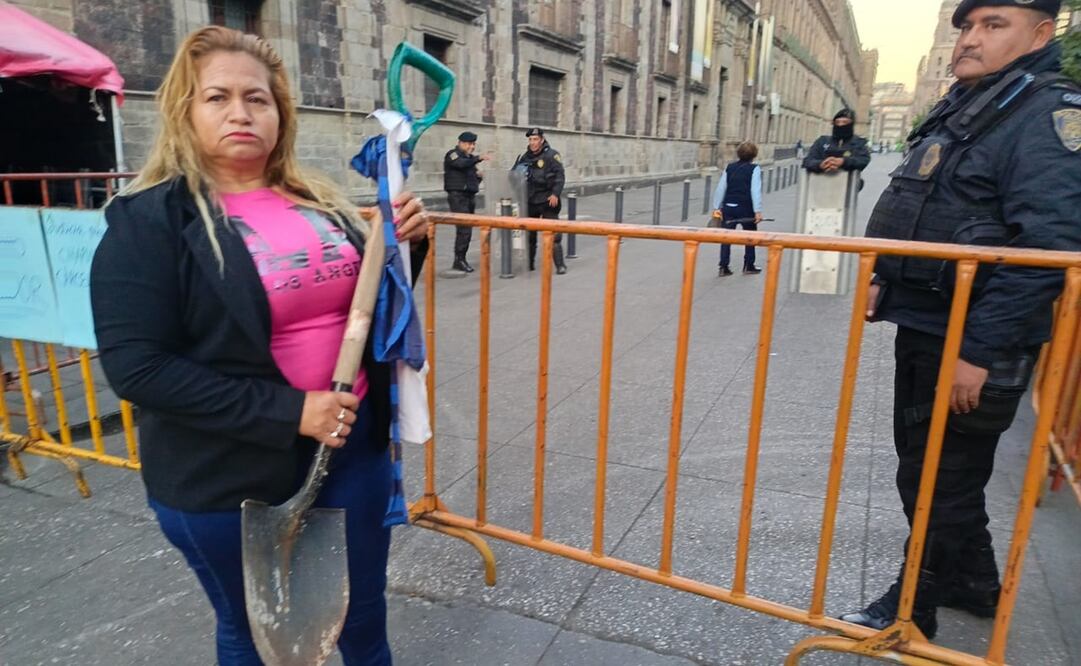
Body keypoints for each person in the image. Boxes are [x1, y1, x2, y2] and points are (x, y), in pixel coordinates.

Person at [89, 26, 429, 665]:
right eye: (217, 97)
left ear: (281, 115)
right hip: (228, 475)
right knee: (257, 634)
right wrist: (292, 411)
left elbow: (374, 306)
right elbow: (139, 367)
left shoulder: (319, 203)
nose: (241, 112)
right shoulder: (149, 223)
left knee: (363, 617)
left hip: (350, 455)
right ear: (185, 112)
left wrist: (402, 247)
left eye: (259, 98)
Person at [841, 0, 1081, 640]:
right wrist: (882, 276)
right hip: (929, 322)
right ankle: (975, 584)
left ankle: (909, 611)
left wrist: (979, 351)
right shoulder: (979, 102)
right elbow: (923, 200)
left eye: (993, 25)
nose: (971, 39)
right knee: (936, 468)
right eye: (967, 26)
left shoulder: (1045, 114)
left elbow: (1047, 250)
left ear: (1040, 32)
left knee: (934, 477)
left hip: (973, 340)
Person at [512, 127, 567, 274]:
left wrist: (555, 194)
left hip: (548, 200)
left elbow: (560, 176)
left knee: (554, 234)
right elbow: (515, 177)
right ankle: (529, 264)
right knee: (530, 235)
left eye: (535, 139)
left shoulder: (552, 155)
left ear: (542, 139)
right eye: (530, 139)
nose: (533, 142)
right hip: (531, 200)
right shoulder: (525, 157)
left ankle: (560, 265)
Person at [710, 141, 764, 276]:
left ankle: (723, 266)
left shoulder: (729, 168)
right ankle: (749, 265)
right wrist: (757, 211)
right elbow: (755, 190)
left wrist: (716, 206)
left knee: (726, 238)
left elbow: (721, 188)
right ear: (754, 155)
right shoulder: (754, 169)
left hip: (728, 207)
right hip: (746, 208)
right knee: (750, 236)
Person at [443, 130, 489, 273]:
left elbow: (472, 176)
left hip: (469, 196)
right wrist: (478, 158)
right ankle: (459, 260)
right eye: (469, 144)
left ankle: (460, 259)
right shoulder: (453, 155)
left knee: (467, 230)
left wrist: (478, 176)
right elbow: (461, 164)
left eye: (473, 144)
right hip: (458, 197)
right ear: (461, 143)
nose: (472, 147)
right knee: (464, 229)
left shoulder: (469, 160)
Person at [802, 109, 871, 175]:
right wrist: (821, 164)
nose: (840, 125)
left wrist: (843, 162)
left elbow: (863, 160)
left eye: (845, 122)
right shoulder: (822, 141)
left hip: (848, 183)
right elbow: (808, 161)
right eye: (837, 122)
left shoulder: (858, 143)